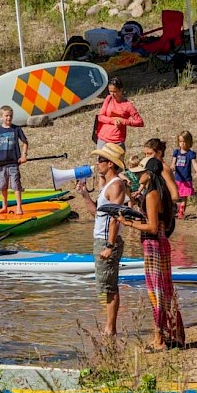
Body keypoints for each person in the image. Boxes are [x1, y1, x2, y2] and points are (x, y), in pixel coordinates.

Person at [118, 157, 186, 351]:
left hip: (153, 245)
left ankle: (159, 339)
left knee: (156, 292)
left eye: (141, 172)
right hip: (162, 244)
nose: (139, 175)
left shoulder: (151, 195)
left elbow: (152, 227)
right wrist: (132, 195)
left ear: (149, 174)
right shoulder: (161, 193)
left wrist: (129, 223)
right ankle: (175, 335)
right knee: (166, 291)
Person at [76, 143, 126, 337]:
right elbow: (96, 213)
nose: (97, 164)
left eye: (101, 160)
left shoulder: (116, 186)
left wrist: (109, 246)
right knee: (104, 286)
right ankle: (109, 327)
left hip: (107, 240)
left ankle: (110, 328)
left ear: (111, 164)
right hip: (101, 239)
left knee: (109, 286)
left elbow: (114, 218)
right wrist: (84, 195)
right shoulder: (106, 185)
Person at [0, 105, 28, 215]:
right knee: (3, 186)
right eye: (6, 116)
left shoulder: (17, 129)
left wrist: (24, 155)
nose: (8, 118)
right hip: (1, 164)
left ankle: (19, 207)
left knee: (16, 185)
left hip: (14, 163)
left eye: (10, 116)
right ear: (1, 117)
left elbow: (25, 142)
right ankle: (4, 207)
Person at [95, 76, 144, 150]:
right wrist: (113, 121)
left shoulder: (128, 105)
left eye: (114, 91)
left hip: (117, 140)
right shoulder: (108, 99)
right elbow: (100, 117)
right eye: (110, 91)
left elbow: (140, 122)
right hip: (103, 138)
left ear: (121, 90)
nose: (112, 94)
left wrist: (123, 121)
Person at [171, 130, 197, 219]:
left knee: (184, 197)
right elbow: (173, 162)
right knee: (174, 195)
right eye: (180, 141)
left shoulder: (190, 154)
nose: (182, 144)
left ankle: (181, 212)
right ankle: (173, 210)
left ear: (189, 142)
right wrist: (172, 166)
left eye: (184, 141)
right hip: (177, 178)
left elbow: (194, 163)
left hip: (186, 180)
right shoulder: (176, 152)